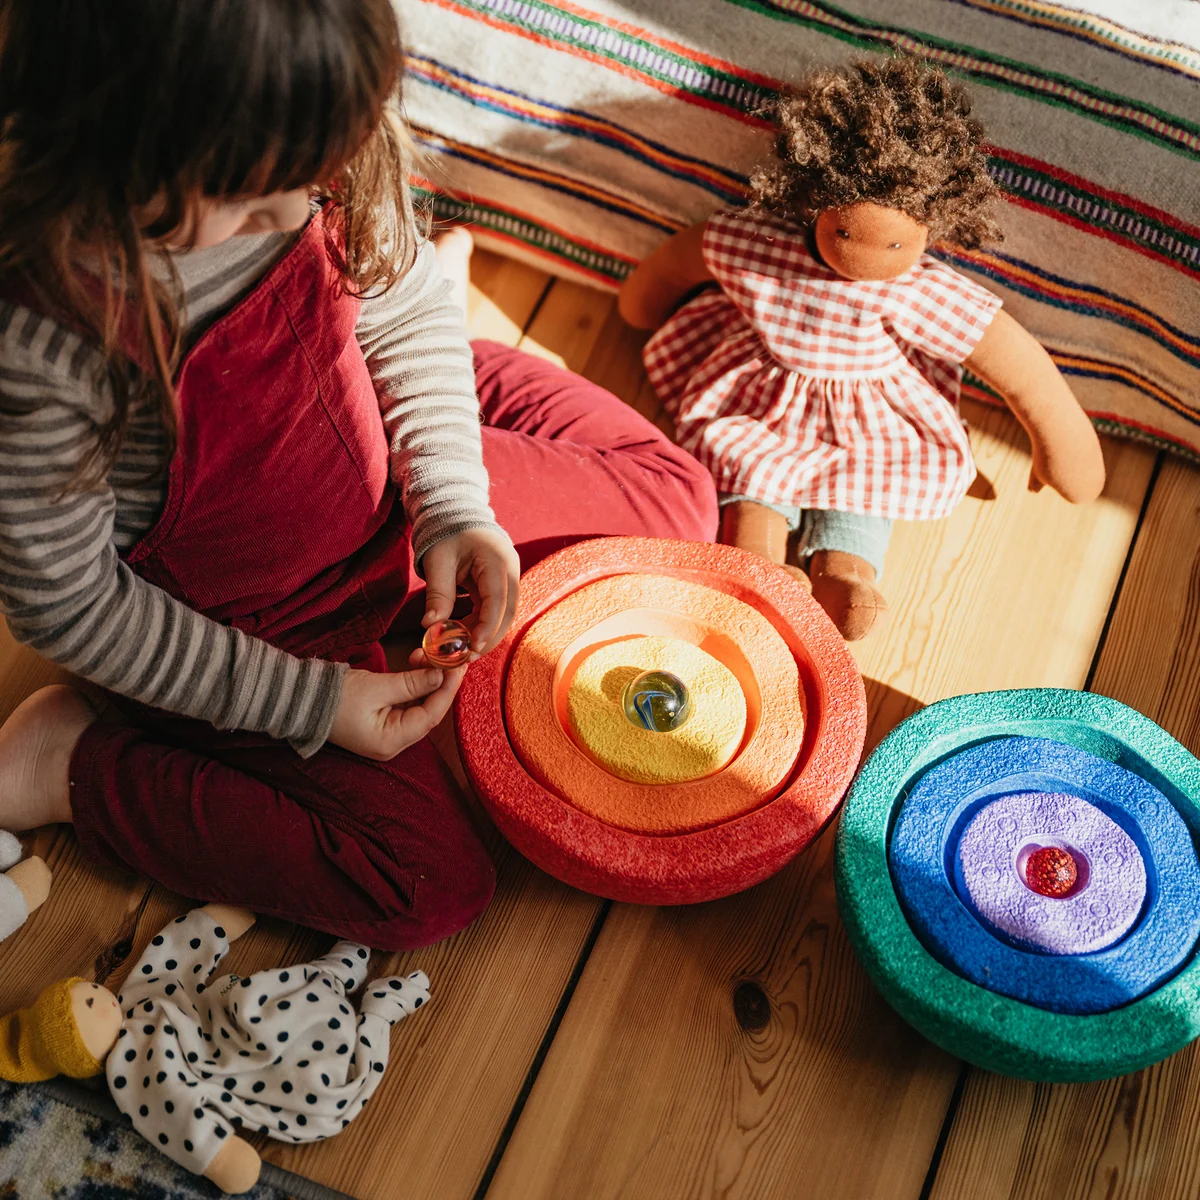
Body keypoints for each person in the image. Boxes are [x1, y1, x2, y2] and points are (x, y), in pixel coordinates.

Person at [0, 0, 717, 950]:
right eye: (250, 200)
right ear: (108, 142)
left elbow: (401, 298)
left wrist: (453, 500)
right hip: (252, 627)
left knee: (678, 499)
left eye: (309, 178)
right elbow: (68, 603)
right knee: (425, 885)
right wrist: (309, 703)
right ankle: (70, 764)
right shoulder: (45, 333)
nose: (293, 212)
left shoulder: (305, 123)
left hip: (372, 473)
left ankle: (431, 406)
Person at [619, 57, 1104, 640]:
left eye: (896, 244)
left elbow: (1018, 367)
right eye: (844, 232)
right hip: (762, 396)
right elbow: (681, 262)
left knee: (868, 485)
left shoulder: (920, 291)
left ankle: (845, 576)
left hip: (873, 419)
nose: (864, 257)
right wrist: (643, 301)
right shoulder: (760, 247)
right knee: (745, 467)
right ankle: (759, 569)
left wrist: (1059, 443)